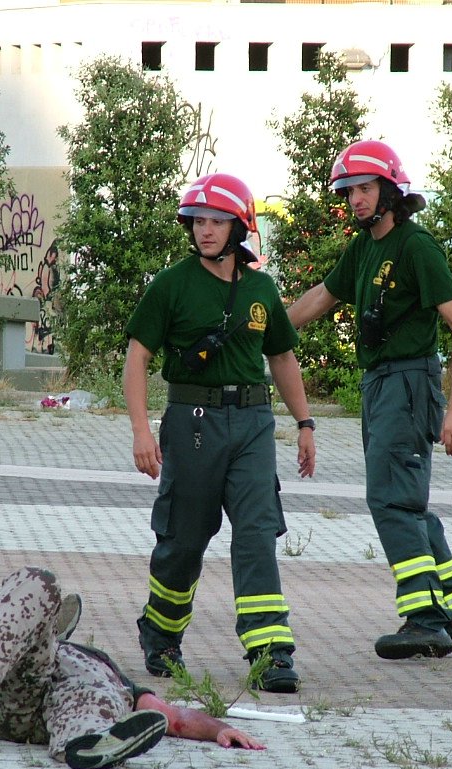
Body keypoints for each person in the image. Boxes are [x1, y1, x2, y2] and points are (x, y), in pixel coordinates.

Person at [286, 139, 452, 661]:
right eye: (349, 190)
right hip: (378, 384)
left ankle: (424, 619)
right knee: (410, 505)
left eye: (365, 188)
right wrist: (261, 328)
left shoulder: (415, 246)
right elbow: (318, 299)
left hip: (408, 381)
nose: (355, 199)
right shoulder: (364, 248)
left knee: (390, 501)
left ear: (390, 190)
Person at [122, 172, 316, 693]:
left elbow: (281, 355)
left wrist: (305, 423)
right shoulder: (171, 284)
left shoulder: (260, 288)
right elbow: (137, 358)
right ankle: (160, 634)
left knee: (256, 534)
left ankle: (270, 652)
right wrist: (143, 431)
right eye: (198, 221)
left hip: (253, 423)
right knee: (184, 540)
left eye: (216, 221)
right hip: (193, 425)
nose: (205, 231)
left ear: (239, 227)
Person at [0, 567, 265, 769]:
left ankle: (90, 744)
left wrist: (217, 730)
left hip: (72, 711)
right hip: (15, 694)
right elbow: (172, 718)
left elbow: (173, 718)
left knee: (95, 693)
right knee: (39, 580)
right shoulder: (35, 655)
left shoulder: (113, 676)